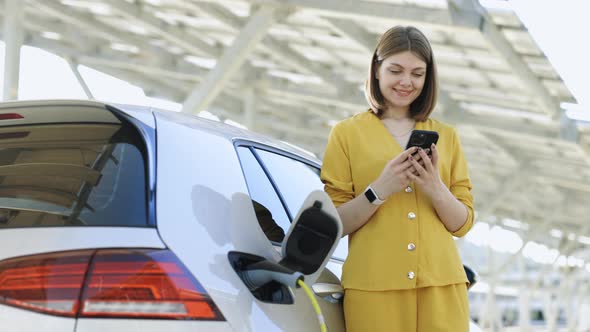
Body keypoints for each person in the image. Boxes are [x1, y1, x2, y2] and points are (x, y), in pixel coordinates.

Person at [320, 26, 474, 332]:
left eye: (418, 73)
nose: (407, 82)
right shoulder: (346, 134)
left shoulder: (448, 136)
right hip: (373, 289)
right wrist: (379, 189)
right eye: (396, 70)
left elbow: (463, 224)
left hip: (442, 288)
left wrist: (434, 187)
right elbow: (334, 223)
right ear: (376, 70)